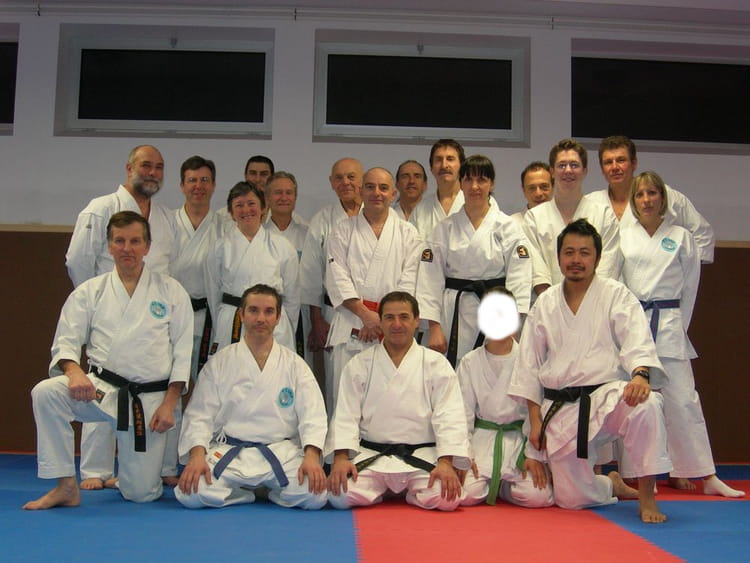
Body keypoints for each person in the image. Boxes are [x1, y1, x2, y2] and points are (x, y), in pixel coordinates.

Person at [23, 211, 192, 510]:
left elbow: (182, 352)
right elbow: (66, 340)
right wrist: (74, 371)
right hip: (100, 390)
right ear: (109, 246)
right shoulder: (90, 291)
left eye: (135, 241)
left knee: (141, 493)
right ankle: (65, 486)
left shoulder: (171, 291)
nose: (127, 248)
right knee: (46, 393)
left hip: (148, 401)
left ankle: (130, 477)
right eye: (120, 241)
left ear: (147, 246)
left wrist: (170, 403)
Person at [508, 219, 672, 523]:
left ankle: (647, 496)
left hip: (606, 398)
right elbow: (528, 365)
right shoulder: (545, 303)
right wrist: (534, 419)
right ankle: (610, 484)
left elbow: (636, 338)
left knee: (647, 404)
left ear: (597, 258)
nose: (576, 260)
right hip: (561, 407)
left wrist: (640, 374)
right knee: (572, 500)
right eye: (569, 252)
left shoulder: (616, 294)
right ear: (559, 257)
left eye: (584, 253)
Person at [620, 171, 743, 498]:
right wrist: (624, 329)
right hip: (635, 323)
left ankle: (706, 474)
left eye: (652, 193)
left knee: (684, 400)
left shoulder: (682, 236)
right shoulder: (623, 235)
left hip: (670, 321)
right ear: (633, 201)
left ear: (663, 197)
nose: (646, 200)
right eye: (640, 194)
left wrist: (678, 327)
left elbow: (690, 289)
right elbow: (617, 285)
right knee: (634, 400)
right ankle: (635, 475)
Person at [65, 144, 179, 490]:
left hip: (152, 316)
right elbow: (77, 261)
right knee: (102, 384)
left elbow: (168, 267)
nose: (152, 173)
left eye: (158, 167)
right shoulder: (101, 208)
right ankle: (95, 469)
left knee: (148, 390)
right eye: (146, 165)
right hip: (109, 311)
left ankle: (147, 466)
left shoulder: (165, 217)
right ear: (129, 168)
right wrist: (99, 304)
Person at [175, 284, 328, 509]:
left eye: (268, 311)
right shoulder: (220, 362)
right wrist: (197, 456)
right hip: (231, 452)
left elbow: (313, 416)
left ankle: (259, 490)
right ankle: (249, 494)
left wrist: (312, 457)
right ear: (242, 315)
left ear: (278, 317)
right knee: (191, 494)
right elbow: (199, 415)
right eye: (254, 310)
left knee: (316, 496)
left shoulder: (295, 365)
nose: (261, 318)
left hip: (280, 452)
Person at [327, 291, 471, 511]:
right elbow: (346, 415)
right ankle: (388, 490)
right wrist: (340, 458)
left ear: (416, 321)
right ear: (380, 321)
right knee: (339, 495)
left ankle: (396, 492)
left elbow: (449, 415)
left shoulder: (436, 364)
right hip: (373, 455)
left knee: (448, 499)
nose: (396, 324)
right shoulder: (360, 364)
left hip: (421, 456)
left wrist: (445, 462)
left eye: (404, 317)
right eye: (389, 318)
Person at [416, 155, 531, 367]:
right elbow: (429, 279)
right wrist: (434, 327)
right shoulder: (445, 228)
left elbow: (520, 278)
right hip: (454, 314)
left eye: (482, 180)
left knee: (494, 370)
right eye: (468, 179)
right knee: (454, 372)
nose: (474, 186)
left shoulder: (508, 227)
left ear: (492, 184)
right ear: (460, 183)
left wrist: (513, 323)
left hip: (496, 309)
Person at [325, 167, 422, 412]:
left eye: (383, 188)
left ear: (393, 194)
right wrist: (365, 315)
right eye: (370, 187)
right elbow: (337, 277)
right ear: (361, 191)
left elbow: (410, 281)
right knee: (345, 402)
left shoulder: (408, 233)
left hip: (392, 328)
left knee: (390, 404)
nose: (376, 193)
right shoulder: (342, 230)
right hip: (352, 324)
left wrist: (382, 319)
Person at [458, 287, 554, 508]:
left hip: (518, 442)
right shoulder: (470, 362)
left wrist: (533, 455)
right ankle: (498, 483)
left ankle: (502, 486)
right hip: (482, 441)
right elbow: (462, 415)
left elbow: (537, 414)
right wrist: (464, 455)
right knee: (466, 495)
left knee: (537, 496)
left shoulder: (529, 360)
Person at [205, 181, 300, 355]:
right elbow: (213, 295)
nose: (246, 210)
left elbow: (292, 296)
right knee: (231, 366)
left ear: (263, 208)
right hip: (233, 318)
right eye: (239, 205)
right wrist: (222, 322)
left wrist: (286, 324)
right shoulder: (219, 248)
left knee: (274, 368)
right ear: (231, 212)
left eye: (251, 204)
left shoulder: (283, 246)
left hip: (273, 321)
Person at [587, 135, 715, 263]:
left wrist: (687, 269)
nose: (615, 167)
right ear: (602, 169)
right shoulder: (591, 203)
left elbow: (703, 234)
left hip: (657, 273)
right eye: (608, 162)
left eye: (621, 160)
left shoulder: (662, 195)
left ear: (634, 163)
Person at [299, 158, 363, 405]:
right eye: (339, 178)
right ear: (331, 183)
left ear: (362, 179)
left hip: (372, 313)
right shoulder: (322, 219)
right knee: (337, 384)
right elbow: (311, 273)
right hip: (333, 312)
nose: (345, 182)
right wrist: (316, 320)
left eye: (351, 176)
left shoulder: (379, 215)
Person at [523, 138, 621, 296]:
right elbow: (537, 270)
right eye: (562, 165)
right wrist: (556, 304)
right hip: (549, 304)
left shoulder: (604, 215)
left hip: (595, 301)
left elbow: (607, 267)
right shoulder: (534, 218)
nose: (568, 170)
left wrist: (585, 302)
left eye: (574, 165)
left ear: (585, 171)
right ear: (552, 171)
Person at [171, 156, 224, 380]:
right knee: (169, 382)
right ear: (182, 185)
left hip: (208, 318)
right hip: (172, 316)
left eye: (204, 180)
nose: (198, 186)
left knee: (207, 384)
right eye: (192, 180)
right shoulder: (167, 223)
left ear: (213, 185)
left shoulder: (225, 226)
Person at [264, 172, 311, 364]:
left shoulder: (308, 233)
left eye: (289, 193)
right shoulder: (259, 234)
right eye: (277, 192)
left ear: (295, 197)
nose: (283, 197)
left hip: (301, 312)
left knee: (297, 366)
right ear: (267, 197)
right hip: (264, 312)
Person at [409, 139, 467, 239]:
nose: (444, 165)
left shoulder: (478, 203)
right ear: (432, 168)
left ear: (461, 166)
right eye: (438, 160)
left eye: (450, 159)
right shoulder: (420, 210)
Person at [217, 155, 275, 231]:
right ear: (245, 176)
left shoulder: (283, 216)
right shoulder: (222, 216)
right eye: (253, 173)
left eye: (263, 174)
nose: (257, 179)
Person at [510, 161, 554, 226]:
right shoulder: (512, 224)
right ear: (524, 190)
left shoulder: (565, 221)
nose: (538, 193)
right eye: (532, 188)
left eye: (544, 186)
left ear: (553, 187)